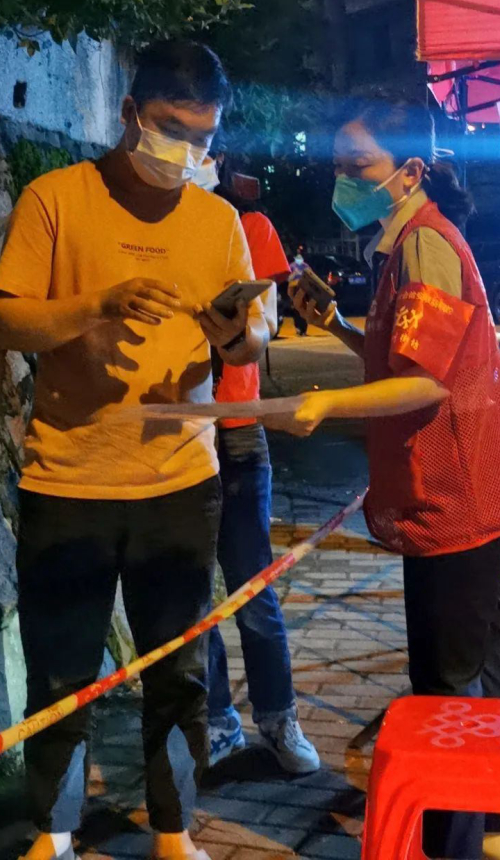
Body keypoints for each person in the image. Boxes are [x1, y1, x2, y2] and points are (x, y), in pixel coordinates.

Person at [0, 41, 269, 860]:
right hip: (67, 479)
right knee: (60, 672)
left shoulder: (217, 220)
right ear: (127, 113)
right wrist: (96, 306)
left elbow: (252, 342)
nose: (186, 153)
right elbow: (7, 320)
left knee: (178, 671)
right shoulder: (56, 198)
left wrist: (236, 335)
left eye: (203, 138)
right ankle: (54, 832)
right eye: (170, 129)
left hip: (181, 482)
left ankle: (174, 831)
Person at [270, 94, 500, 860]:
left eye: (358, 165)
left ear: (410, 171)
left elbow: (422, 383)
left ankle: (456, 841)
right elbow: (401, 361)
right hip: (461, 492)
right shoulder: (409, 242)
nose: (345, 180)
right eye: (339, 166)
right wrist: (333, 326)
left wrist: (324, 402)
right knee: (477, 660)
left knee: (446, 684)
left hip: (456, 495)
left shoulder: (426, 244)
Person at [191, 154, 320, 772]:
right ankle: (218, 719)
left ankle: (278, 717)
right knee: (194, 595)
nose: (191, 160)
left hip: (239, 430)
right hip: (180, 433)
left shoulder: (250, 226)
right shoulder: (156, 229)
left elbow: (267, 317)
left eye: (202, 148)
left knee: (252, 586)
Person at [289, 247, 309, 336]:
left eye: (300, 257)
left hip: (303, 289)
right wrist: (294, 274)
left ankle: (304, 329)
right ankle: (298, 328)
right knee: (296, 309)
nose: (299, 259)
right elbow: (288, 279)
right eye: (297, 257)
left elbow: (311, 276)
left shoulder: (306, 266)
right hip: (294, 288)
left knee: (304, 308)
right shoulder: (292, 266)